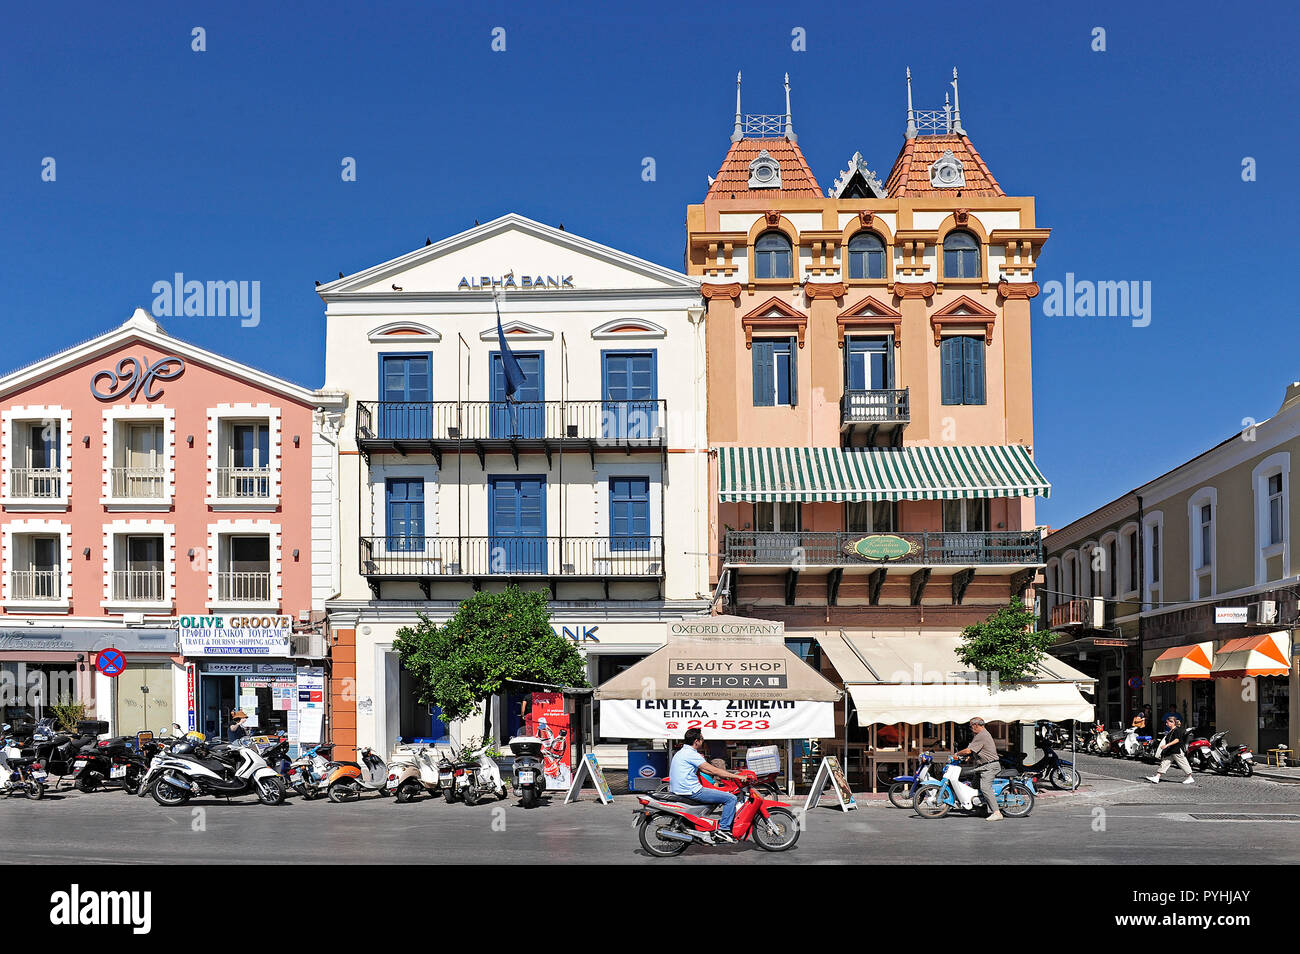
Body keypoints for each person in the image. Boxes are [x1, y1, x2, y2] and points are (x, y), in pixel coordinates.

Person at [668, 728, 752, 843]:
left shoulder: (682, 752)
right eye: (702, 739)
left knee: (716, 795)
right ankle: (724, 830)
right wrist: (738, 777)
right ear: (696, 741)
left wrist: (726, 775)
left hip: (680, 789)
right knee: (731, 798)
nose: (703, 742)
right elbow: (712, 770)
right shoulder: (691, 754)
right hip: (691, 791)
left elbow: (706, 770)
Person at [955, 717, 1003, 821]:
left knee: (985, 787)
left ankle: (997, 812)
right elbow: (977, 750)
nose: (971, 728)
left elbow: (968, 750)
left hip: (990, 766)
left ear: (976, 725)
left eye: (971, 726)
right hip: (983, 766)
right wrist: (970, 756)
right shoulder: (980, 735)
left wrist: (956, 754)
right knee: (975, 786)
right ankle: (982, 809)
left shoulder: (982, 735)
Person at [1146, 713, 1194, 784]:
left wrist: (1167, 745)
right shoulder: (1171, 731)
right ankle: (1157, 777)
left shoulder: (1176, 730)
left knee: (1183, 763)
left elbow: (1177, 740)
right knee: (1165, 762)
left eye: (1167, 723)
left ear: (1172, 723)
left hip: (1177, 750)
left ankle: (1190, 777)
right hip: (1171, 750)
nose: (1166, 724)